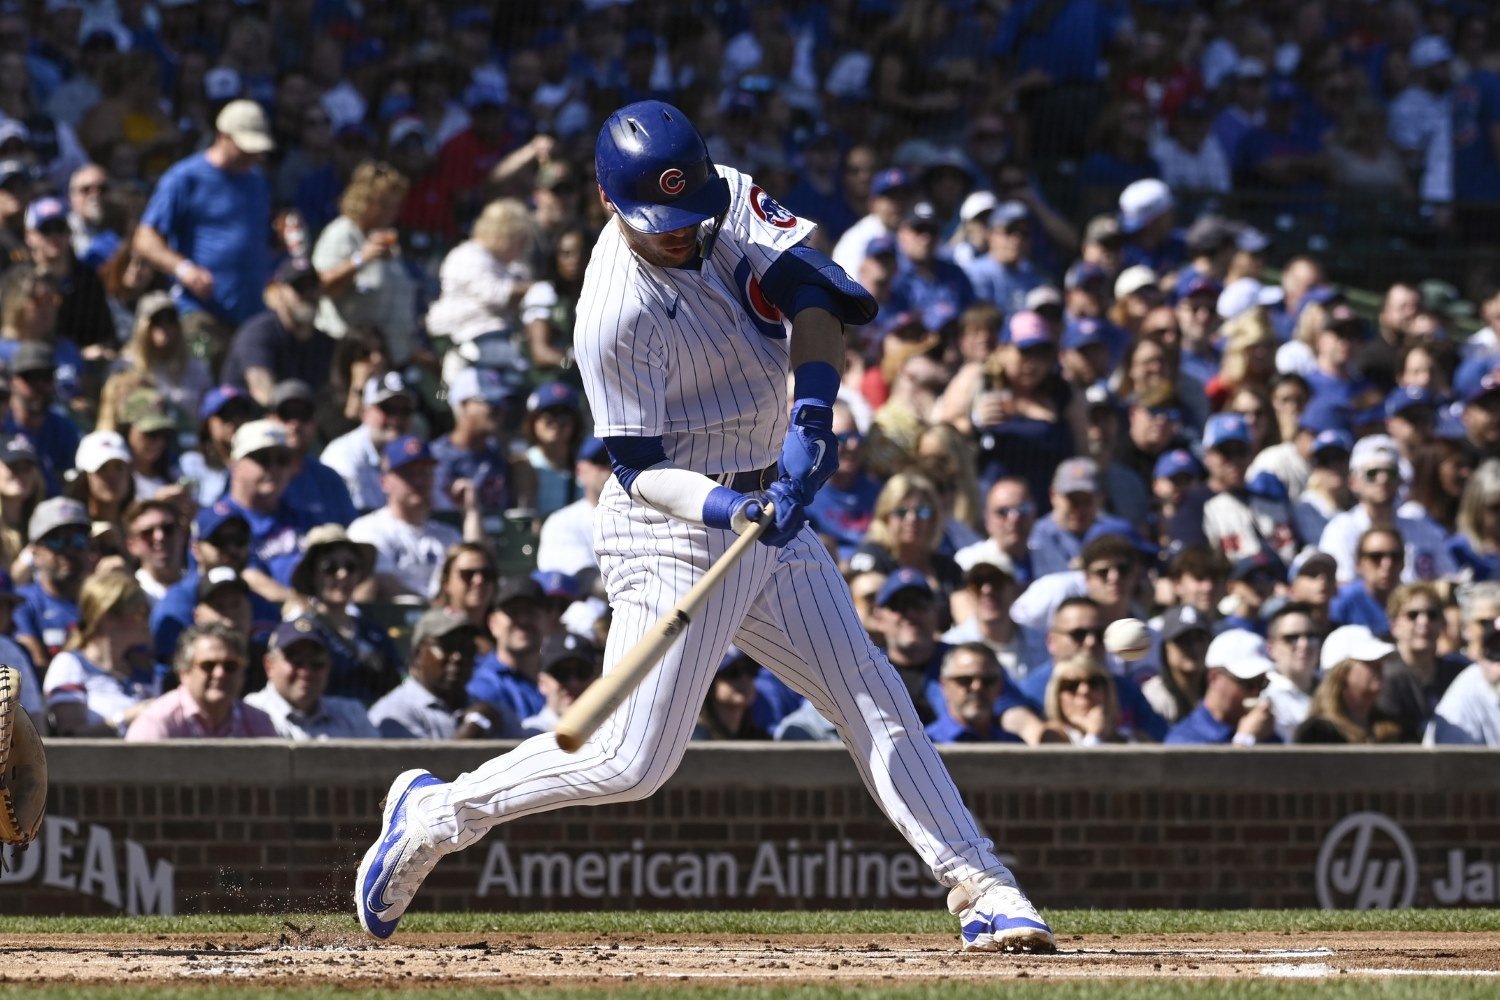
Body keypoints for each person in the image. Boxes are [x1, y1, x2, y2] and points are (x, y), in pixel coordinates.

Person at [354, 101, 1054, 953]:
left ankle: (982, 884)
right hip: (673, 527)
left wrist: (814, 414)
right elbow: (637, 468)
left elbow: (813, 295)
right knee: (628, 763)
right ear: (611, 205)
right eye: (663, 225)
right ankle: (436, 812)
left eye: (692, 219)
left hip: (774, 508)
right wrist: (731, 508)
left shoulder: (723, 197)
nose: (684, 235)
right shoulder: (608, 313)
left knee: (871, 694)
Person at [132, 100, 273, 361]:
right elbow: (145, 237)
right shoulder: (185, 178)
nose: (252, 156)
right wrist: (184, 269)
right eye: (245, 148)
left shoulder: (257, 180)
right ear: (223, 137)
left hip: (250, 314)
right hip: (202, 314)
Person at [310, 161, 418, 365]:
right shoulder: (342, 233)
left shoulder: (384, 239)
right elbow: (321, 285)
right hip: (347, 353)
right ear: (364, 201)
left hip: (386, 354)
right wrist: (361, 259)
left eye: (396, 206)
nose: (392, 213)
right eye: (385, 205)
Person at [348, 436, 479, 600]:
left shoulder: (448, 535)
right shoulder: (368, 529)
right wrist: (432, 609)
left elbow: (477, 567)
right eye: (408, 474)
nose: (419, 481)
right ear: (384, 482)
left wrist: (471, 511)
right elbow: (383, 584)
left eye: (425, 472)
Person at [285, 524, 401, 705]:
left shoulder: (373, 632)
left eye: (350, 566)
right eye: (330, 568)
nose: (342, 575)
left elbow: (396, 684)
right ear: (313, 575)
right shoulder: (301, 631)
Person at [368, 608, 523, 740]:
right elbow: (418, 774)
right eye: (447, 646)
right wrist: (473, 729)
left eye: (466, 647)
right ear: (416, 656)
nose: (458, 657)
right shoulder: (394, 712)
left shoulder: (494, 711)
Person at [1319, 435, 1454, 585]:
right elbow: (1341, 587)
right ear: (1353, 482)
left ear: (1400, 480)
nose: (1382, 479)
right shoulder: (1341, 529)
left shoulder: (1422, 529)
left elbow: (1450, 579)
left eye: (1390, 472)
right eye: (1372, 473)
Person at [42, 571, 160, 737]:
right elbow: (70, 736)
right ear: (108, 617)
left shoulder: (143, 667)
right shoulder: (69, 665)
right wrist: (127, 718)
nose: (147, 620)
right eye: (141, 612)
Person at [124, 621, 276, 740]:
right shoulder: (157, 724)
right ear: (184, 672)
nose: (220, 674)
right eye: (208, 665)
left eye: (230, 666)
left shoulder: (259, 723)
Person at [219, 258, 337, 404]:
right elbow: (263, 395)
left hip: (303, 421)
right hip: (254, 421)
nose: (308, 294)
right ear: (279, 292)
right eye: (299, 287)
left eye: (313, 286)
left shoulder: (324, 343)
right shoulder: (257, 333)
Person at [244, 616, 381, 740]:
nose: (306, 672)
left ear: (329, 667)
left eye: (317, 663)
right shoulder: (250, 714)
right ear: (269, 665)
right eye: (296, 661)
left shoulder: (352, 714)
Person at [430, 366, 525, 516]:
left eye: (503, 403)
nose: (500, 410)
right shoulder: (436, 457)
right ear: (464, 405)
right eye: (492, 402)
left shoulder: (498, 453)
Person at [1381, 583, 1467, 743]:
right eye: (1412, 615)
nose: (1424, 621)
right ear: (1394, 626)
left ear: (1442, 623)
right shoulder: (1385, 677)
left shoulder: (1458, 673)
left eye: (1432, 614)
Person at [321, 372, 418, 513]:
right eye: (388, 409)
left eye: (405, 411)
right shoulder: (343, 454)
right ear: (364, 411)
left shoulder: (414, 452)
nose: (396, 419)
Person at [14, 497, 93, 668]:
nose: (69, 550)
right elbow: (36, 667)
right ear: (34, 553)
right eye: (56, 540)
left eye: (78, 539)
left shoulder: (102, 600)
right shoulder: (22, 602)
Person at [1164, 629, 1279, 745]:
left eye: (1263, 683)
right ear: (1214, 678)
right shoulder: (1184, 738)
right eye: (1247, 684)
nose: (1256, 692)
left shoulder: (1263, 732)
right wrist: (1245, 740)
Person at [271, 379, 358, 528]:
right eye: (286, 414)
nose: (295, 424)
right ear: (269, 419)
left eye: (303, 415)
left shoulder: (329, 479)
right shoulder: (257, 477)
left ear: (315, 422)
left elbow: (350, 531)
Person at [1294, 625, 1401, 744]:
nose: (1379, 667)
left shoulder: (1395, 728)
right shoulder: (1317, 733)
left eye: (1380, 661)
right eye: (1369, 662)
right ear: (1342, 672)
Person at [1028, 458, 1132, 577]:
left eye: (1087, 501)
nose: (1080, 509)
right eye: (1073, 501)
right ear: (1053, 495)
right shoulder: (1033, 536)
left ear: (1100, 498)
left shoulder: (1116, 531)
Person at [466, 576, 550, 723]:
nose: (523, 620)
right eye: (513, 612)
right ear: (492, 623)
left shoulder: (563, 676)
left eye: (531, 611)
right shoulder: (481, 682)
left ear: (547, 620)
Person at [1141, 605, 1212, 725]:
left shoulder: (1217, 689)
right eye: (1183, 640)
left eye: (1200, 638)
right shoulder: (1155, 695)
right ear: (1165, 648)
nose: (1194, 647)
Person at [519, 631, 600, 734]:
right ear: (542, 682)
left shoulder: (611, 731)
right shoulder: (528, 733)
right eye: (561, 673)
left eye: (582, 672)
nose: (573, 683)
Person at [1264, 602, 1323, 742]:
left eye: (1311, 636)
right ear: (1271, 648)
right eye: (1291, 638)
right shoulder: (1266, 698)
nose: (1304, 645)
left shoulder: (1333, 690)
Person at [1330, 527, 1406, 633]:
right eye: (1376, 557)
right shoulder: (1342, 600)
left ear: (1403, 562)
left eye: (1395, 556)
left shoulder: (1414, 603)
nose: (1387, 564)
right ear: (1359, 563)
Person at [1044, 652, 1130, 744]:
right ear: (1057, 695)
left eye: (1094, 682)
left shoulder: (1132, 738)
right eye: (1071, 685)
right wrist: (1093, 735)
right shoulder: (1051, 736)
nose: (1084, 691)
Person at [123, 498, 184, 604]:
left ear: (182, 534)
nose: (159, 537)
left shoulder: (200, 584)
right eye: (147, 533)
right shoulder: (130, 596)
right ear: (132, 545)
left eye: (168, 528)